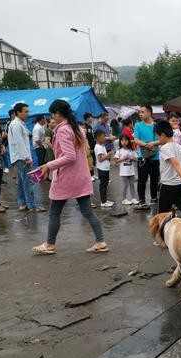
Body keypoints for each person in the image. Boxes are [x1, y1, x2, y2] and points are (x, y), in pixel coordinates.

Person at [32, 99, 108, 254]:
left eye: (53, 114)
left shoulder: (63, 130)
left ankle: (50, 245)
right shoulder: (77, 128)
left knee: (54, 212)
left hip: (67, 178)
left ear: (58, 113)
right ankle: (100, 241)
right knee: (87, 211)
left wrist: (48, 165)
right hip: (80, 176)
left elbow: (70, 156)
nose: (52, 117)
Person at [156, 120, 181, 219]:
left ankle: (163, 230)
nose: (158, 139)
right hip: (180, 185)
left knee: (162, 216)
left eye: (157, 136)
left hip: (168, 186)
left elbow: (176, 163)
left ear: (162, 135)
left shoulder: (164, 148)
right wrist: (180, 176)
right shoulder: (178, 146)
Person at [8, 103, 45, 212]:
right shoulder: (16, 125)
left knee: (21, 181)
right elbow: (19, 142)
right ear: (18, 112)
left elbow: (27, 136)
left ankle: (22, 203)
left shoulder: (20, 124)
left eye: (28, 111)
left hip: (20, 157)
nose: (28, 113)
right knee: (29, 181)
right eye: (26, 111)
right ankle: (32, 205)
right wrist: (26, 158)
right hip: (22, 157)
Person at [133, 105, 160, 209]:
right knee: (142, 179)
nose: (140, 114)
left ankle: (154, 198)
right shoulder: (138, 125)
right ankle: (142, 200)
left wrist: (153, 143)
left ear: (149, 113)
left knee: (154, 179)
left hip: (155, 157)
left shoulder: (156, 125)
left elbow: (161, 139)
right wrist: (146, 145)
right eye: (139, 112)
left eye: (142, 112)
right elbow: (136, 139)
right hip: (143, 157)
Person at [114, 135, 138, 205]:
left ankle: (133, 198)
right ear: (120, 141)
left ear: (129, 141)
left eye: (126, 140)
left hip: (131, 171)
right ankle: (124, 199)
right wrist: (123, 159)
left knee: (132, 185)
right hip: (123, 172)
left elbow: (136, 159)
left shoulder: (131, 150)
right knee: (125, 185)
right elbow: (115, 161)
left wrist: (132, 159)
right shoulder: (119, 151)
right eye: (122, 140)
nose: (124, 142)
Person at [94, 131, 114, 208]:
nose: (105, 138)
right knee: (103, 185)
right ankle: (103, 202)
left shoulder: (102, 146)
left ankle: (105, 200)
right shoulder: (98, 147)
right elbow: (100, 159)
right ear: (98, 137)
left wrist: (107, 156)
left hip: (105, 168)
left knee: (105, 185)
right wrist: (107, 156)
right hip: (102, 169)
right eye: (103, 136)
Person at [83, 113, 97, 181]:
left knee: (93, 160)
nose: (92, 119)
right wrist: (90, 147)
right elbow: (87, 138)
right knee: (89, 160)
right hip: (88, 146)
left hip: (92, 146)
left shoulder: (90, 126)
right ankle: (89, 175)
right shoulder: (85, 127)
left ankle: (93, 174)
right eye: (91, 117)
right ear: (88, 118)